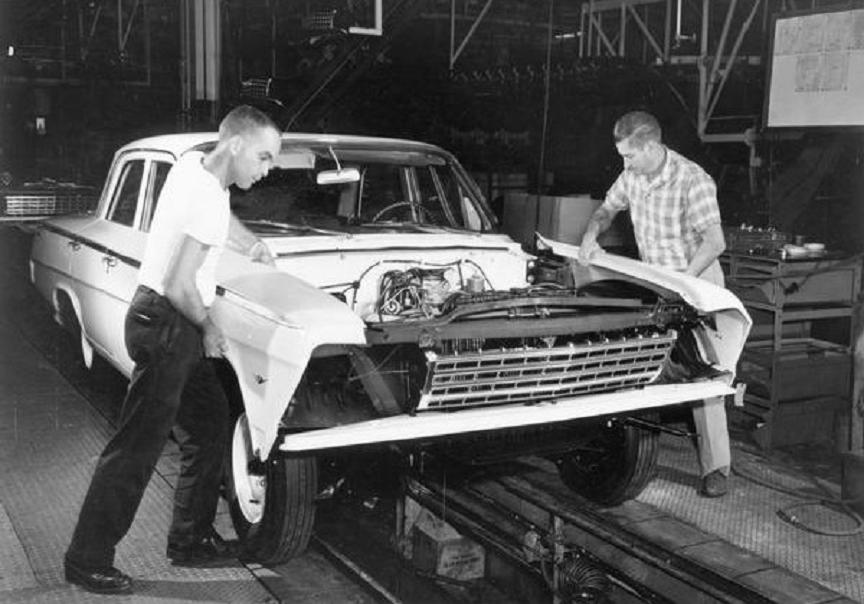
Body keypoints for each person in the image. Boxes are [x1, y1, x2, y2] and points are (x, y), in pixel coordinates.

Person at [64, 105, 282, 594]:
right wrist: (209, 329)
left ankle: (189, 541)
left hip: (159, 319)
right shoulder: (206, 195)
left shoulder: (193, 166)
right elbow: (181, 285)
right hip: (169, 322)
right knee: (136, 450)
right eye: (264, 158)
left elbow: (216, 217)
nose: (266, 171)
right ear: (237, 145)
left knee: (209, 424)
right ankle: (86, 558)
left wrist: (250, 246)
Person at [577, 110, 731, 498]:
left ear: (649, 146)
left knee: (705, 375)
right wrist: (590, 234)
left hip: (696, 283)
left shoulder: (691, 179)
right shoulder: (633, 176)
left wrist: (683, 281)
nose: (624, 165)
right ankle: (636, 452)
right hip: (658, 284)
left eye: (629, 156)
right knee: (647, 359)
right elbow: (608, 208)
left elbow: (715, 243)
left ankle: (717, 469)